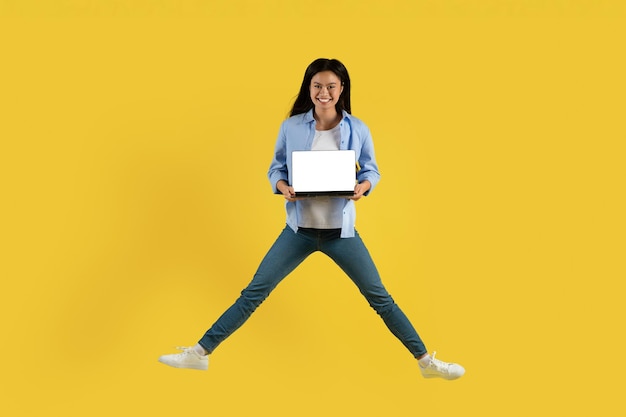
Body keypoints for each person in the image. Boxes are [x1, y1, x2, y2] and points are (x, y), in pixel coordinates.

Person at [158, 58, 465, 380]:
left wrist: (364, 185)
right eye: (317, 85)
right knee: (253, 293)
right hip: (299, 231)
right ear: (309, 88)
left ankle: (426, 363)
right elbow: (276, 167)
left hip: (340, 233)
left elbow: (371, 168)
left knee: (380, 298)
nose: (324, 92)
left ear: (341, 89)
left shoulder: (357, 128)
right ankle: (199, 353)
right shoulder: (291, 126)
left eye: (331, 86)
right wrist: (281, 186)